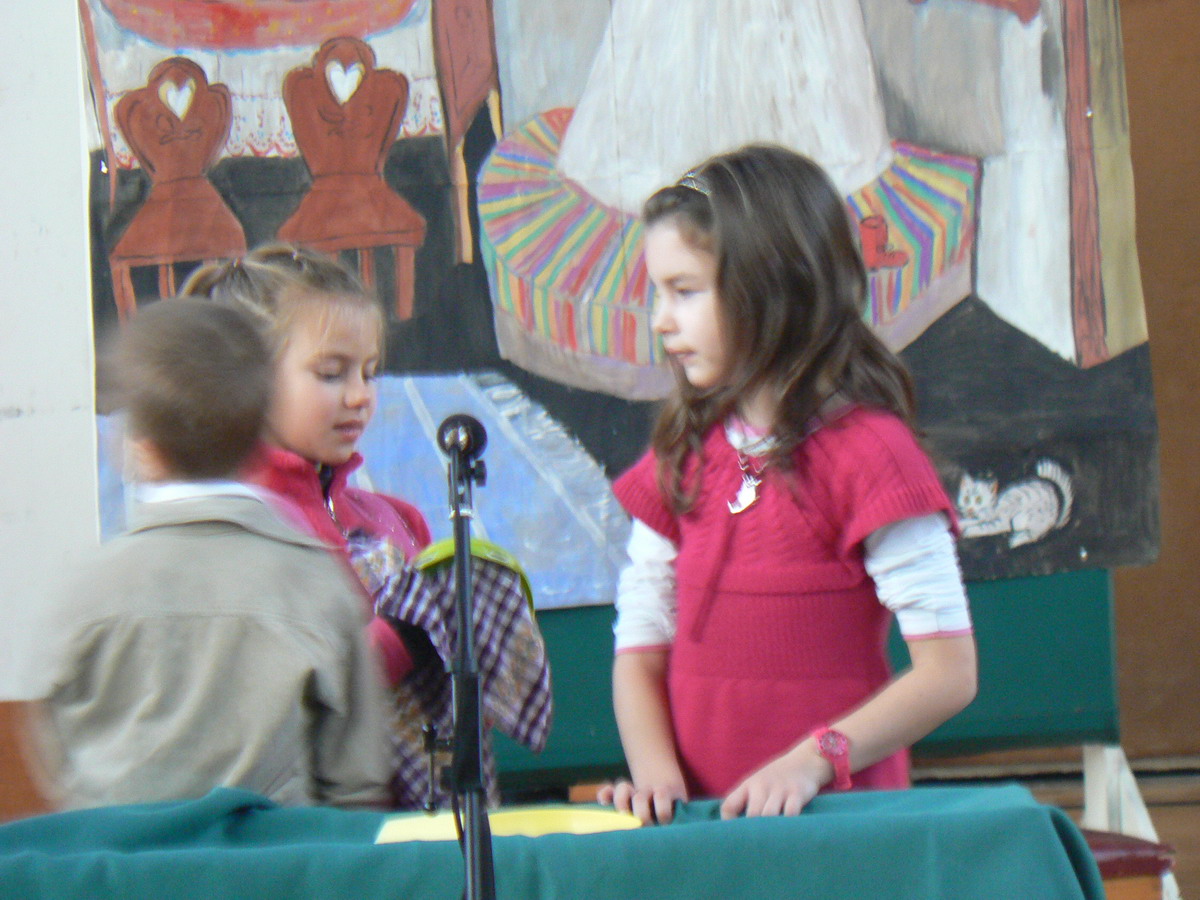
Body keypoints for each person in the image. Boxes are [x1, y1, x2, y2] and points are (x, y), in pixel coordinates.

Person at [599, 145, 978, 825]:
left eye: (684, 291)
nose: (660, 320)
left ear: (771, 285)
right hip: (704, 835)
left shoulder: (873, 458)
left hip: (835, 836)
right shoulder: (682, 455)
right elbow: (640, 646)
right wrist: (655, 779)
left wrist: (814, 760)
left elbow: (949, 673)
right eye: (658, 292)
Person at [180, 246, 551, 809]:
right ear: (244, 380)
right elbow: (276, 701)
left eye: (369, 372)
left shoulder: (394, 520)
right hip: (310, 828)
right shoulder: (234, 531)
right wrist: (407, 636)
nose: (360, 396)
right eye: (331, 374)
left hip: (425, 820)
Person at [28, 298, 393, 809]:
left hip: (122, 860)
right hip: (281, 858)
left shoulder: (87, 592)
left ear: (141, 446)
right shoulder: (315, 582)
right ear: (259, 431)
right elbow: (356, 784)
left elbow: (60, 764)